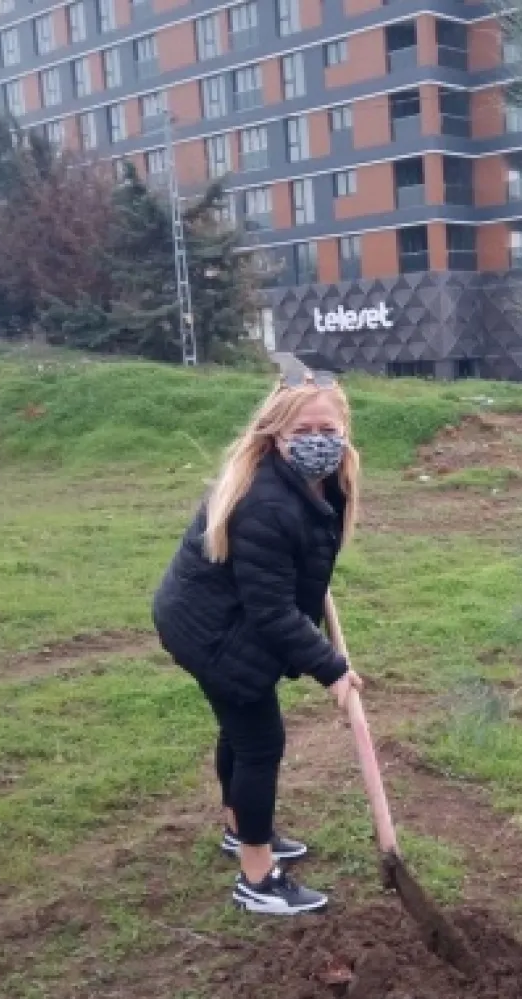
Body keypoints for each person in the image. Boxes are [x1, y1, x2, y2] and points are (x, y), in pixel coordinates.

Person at [153, 362, 363, 916]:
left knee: (242, 730)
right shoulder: (266, 501)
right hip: (212, 631)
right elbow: (270, 612)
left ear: (344, 431)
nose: (318, 441)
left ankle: (238, 826)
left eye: (328, 430)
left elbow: (294, 566)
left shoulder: (321, 482)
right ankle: (257, 876)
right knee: (260, 742)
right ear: (275, 435)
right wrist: (332, 669)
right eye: (303, 431)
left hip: (224, 617)